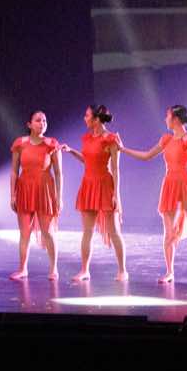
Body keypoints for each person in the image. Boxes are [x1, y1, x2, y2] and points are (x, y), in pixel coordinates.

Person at [117, 105, 187, 284]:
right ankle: (170, 271)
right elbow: (147, 155)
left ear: (175, 119)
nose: (165, 119)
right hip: (170, 186)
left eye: (167, 116)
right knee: (168, 233)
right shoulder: (166, 139)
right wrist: (123, 149)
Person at [61, 105, 127, 282]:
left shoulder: (111, 139)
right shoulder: (87, 138)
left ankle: (122, 270)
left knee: (114, 231)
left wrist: (116, 194)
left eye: (87, 115)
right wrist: (71, 151)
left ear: (96, 119)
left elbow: (116, 169)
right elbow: (86, 160)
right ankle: (85, 270)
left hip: (105, 185)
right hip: (88, 185)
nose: (84, 118)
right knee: (87, 231)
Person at [8, 110, 62, 281]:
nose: (42, 123)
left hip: (45, 190)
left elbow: (58, 173)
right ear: (29, 124)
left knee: (48, 232)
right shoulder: (20, 143)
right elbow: (14, 171)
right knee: (24, 232)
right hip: (25, 189)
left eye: (44, 120)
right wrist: (12, 195)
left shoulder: (52, 144)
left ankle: (53, 268)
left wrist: (59, 197)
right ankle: (22, 268)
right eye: (38, 120)